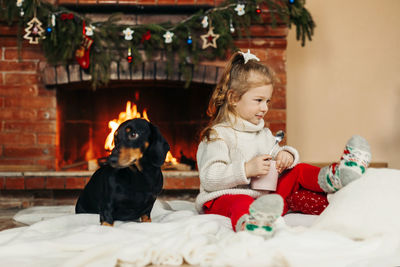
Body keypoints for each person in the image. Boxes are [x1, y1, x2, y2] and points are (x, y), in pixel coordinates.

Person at [195, 50, 371, 239]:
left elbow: (278, 151)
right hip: (224, 199)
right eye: (258, 100)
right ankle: (252, 224)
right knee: (242, 200)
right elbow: (210, 178)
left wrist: (286, 155)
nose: (265, 108)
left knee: (299, 171)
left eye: (267, 101)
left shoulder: (262, 132)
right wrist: (246, 169)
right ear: (233, 98)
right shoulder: (218, 135)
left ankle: (335, 177)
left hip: (266, 197)